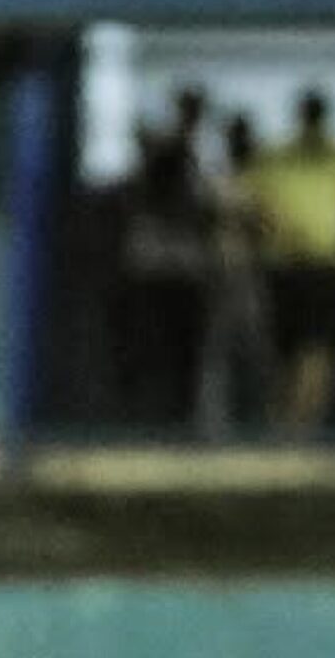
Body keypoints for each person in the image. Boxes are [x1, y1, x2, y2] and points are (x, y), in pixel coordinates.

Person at [253, 87, 335, 435]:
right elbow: (259, 207)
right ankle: (282, 424)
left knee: (317, 351)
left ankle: (303, 426)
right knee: (283, 351)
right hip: (287, 265)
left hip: (325, 265)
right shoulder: (276, 157)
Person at [117, 86, 215, 429]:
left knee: (181, 351)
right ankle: (145, 415)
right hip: (156, 264)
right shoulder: (165, 149)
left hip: (180, 267)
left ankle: (177, 418)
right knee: (150, 347)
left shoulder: (190, 154)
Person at [198, 111, 273, 437]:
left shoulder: (263, 177)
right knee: (216, 350)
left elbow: (268, 223)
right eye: (236, 137)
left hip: (256, 272)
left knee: (260, 349)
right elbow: (207, 218)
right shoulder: (217, 177)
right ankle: (214, 425)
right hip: (219, 270)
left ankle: (269, 422)